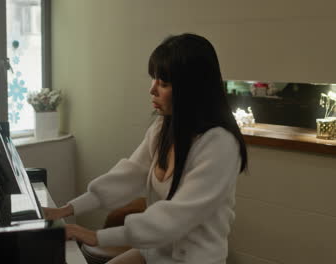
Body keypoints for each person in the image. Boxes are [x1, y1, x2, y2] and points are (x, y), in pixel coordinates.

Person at [43, 33, 248, 264]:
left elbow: (175, 218)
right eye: (154, 80)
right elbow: (128, 175)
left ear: (192, 88)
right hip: (155, 251)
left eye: (163, 83)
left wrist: (95, 236)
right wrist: (67, 209)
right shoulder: (163, 127)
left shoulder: (220, 144)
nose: (152, 90)